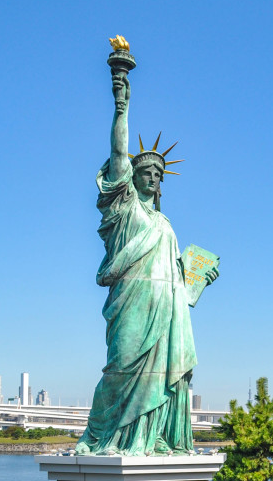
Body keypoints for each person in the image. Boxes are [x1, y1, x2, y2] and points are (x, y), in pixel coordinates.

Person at [75, 72, 217, 456]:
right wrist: (122, 106)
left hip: (167, 310)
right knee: (120, 369)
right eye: (146, 172)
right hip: (132, 301)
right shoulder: (125, 209)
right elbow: (119, 154)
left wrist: (199, 281)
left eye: (158, 174)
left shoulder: (165, 223)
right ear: (131, 178)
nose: (153, 177)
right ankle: (105, 436)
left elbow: (175, 278)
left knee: (165, 375)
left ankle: (152, 437)